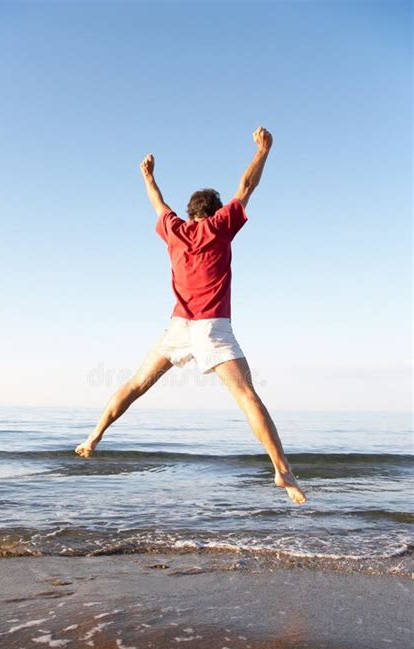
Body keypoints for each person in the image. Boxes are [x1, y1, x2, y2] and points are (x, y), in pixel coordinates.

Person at [75, 126, 307, 505]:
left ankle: (93, 437)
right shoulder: (220, 227)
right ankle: (282, 469)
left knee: (136, 384)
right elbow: (246, 187)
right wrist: (263, 151)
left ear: (190, 213)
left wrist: (148, 176)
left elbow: (156, 203)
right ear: (214, 213)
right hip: (212, 327)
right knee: (247, 396)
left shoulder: (174, 230)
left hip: (177, 327)